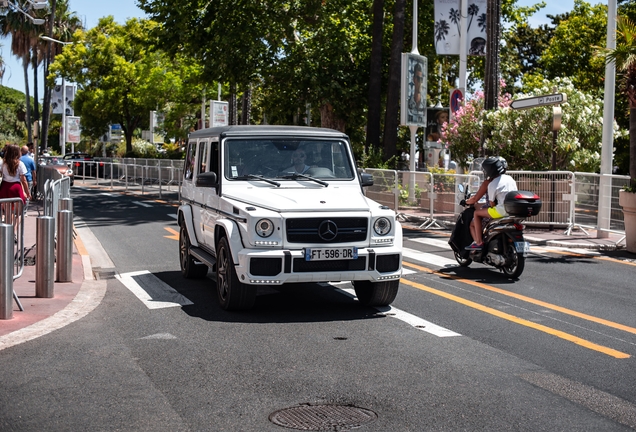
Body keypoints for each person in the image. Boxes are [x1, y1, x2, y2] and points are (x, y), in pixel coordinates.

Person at [465, 156, 517, 250]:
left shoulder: (492, 183)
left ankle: (479, 242)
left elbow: (492, 203)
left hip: (501, 211)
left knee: (476, 213)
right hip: (513, 210)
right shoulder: (510, 178)